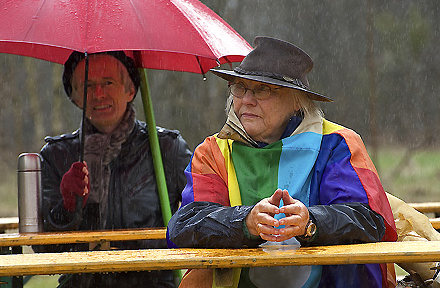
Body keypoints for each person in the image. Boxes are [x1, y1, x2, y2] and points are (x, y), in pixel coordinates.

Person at [167, 37, 398, 288]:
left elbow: (368, 220)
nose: (247, 100)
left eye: (262, 89)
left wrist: (310, 222)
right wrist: (245, 222)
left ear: (296, 100)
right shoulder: (213, 151)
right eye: (240, 88)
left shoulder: (336, 144)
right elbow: (185, 225)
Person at [38, 51, 192, 288]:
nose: (98, 94)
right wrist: (67, 208)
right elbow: (43, 247)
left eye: (108, 83)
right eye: (88, 86)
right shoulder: (56, 156)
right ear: (76, 97)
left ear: (130, 91)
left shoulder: (166, 148)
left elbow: (202, 214)